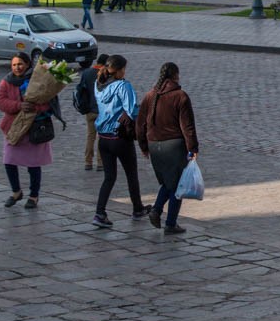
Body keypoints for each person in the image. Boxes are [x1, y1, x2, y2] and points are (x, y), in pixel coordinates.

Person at [136, 62, 199, 236]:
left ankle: (157, 210)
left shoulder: (150, 95)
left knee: (168, 182)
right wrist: (193, 148)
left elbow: (140, 124)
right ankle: (170, 222)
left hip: (154, 145)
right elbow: (187, 126)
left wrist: (143, 146)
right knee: (177, 185)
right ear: (176, 76)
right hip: (174, 145)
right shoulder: (180, 96)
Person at [0, 52, 59, 209]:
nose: (17, 67)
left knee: (33, 164)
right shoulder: (6, 82)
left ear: (27, 64)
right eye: (14, 65)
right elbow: (2, 103)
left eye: (20, 64)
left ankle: (34, 195)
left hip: (33, 129)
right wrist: (19, 105)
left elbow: (47, 102)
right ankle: (16, 191)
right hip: (14, 129)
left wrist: (34, 107)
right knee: (9, 161)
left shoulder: (39, 80)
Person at [92, 54, 147, 227]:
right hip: (120, 138)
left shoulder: (98, 85)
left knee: (109, 177)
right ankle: (137, 209)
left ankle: (99, 213)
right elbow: (131, 110)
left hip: (103, 139)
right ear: (120, 70)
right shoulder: (123, 86)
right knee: (131, 174)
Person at [78, 54, 107, 171]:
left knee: (90, 136)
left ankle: (88, 162)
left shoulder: (86, 73)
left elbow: (80, 89)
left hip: (89, 110)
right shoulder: (105, 75)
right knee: (102, 137)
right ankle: (100, 163)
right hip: (102, 111)